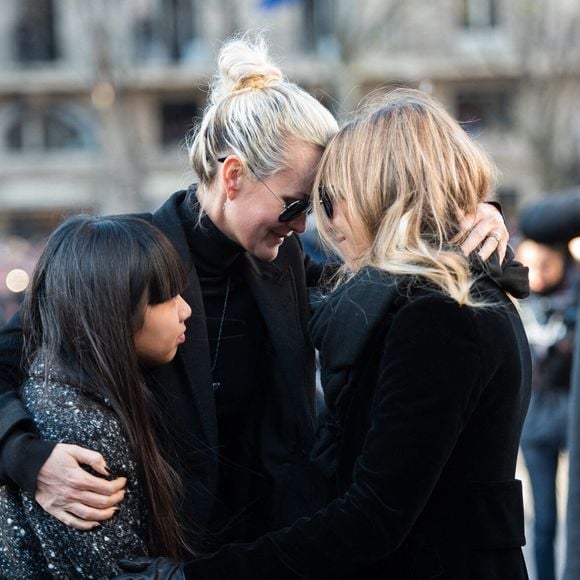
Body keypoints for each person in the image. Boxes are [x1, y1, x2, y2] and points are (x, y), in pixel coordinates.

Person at [0, 34, 520, 555]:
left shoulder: (289, 263)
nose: (305, 225)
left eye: (319, 205)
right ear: (233, 176)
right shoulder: (118, 259)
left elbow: (392, 288)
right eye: (295, 205)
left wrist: (467, 212)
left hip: (272, 548)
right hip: (168, 553)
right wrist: (26, 456)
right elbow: (8, 354)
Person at [115, 88, 532, 579]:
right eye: (303, 204)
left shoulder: (440, 312)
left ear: (379, 194)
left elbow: (373, 515)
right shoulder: (447, 296)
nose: (317, 224)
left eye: (326, 200)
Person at [0, 215, 192, 578]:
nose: (186, 310)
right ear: (115, 309)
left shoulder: (70, 390)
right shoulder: (81, 426)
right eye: (167, 299)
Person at [519, 193, 580, 580]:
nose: (537, 273)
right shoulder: (514, 296)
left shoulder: (573, 299)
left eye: (546, 265)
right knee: (543, 521)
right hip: (535, 420)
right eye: (531, 265)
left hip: (567, 412)